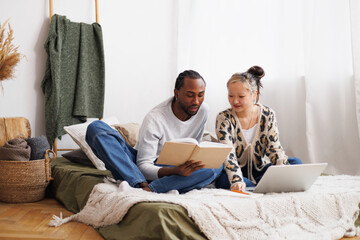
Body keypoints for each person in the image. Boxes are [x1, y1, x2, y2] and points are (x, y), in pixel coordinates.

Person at [85, 70, 223, 193]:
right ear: (176, 93)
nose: (196, 101)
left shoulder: (203, 110)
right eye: (190, 95)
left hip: (179, 168)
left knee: (216, 166)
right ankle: (141, 184)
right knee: (96, 128)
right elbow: (143, 165)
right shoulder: (155, 118)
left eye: (201, 95)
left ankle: (152, 188)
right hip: (139, 168)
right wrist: (174, 171)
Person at [215, 66, 302, 192]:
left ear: (254, 94)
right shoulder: (224, 118)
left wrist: (283, 171)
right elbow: (228, 156)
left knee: (295, 162)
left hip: (260, 169)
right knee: (224, 180)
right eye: (231, 96)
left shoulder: (268, 114)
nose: (235, 101)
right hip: (234, 171)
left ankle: (260, 184)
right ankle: (255, 185)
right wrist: (237, 180)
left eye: (241, 96)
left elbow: (274, 148)